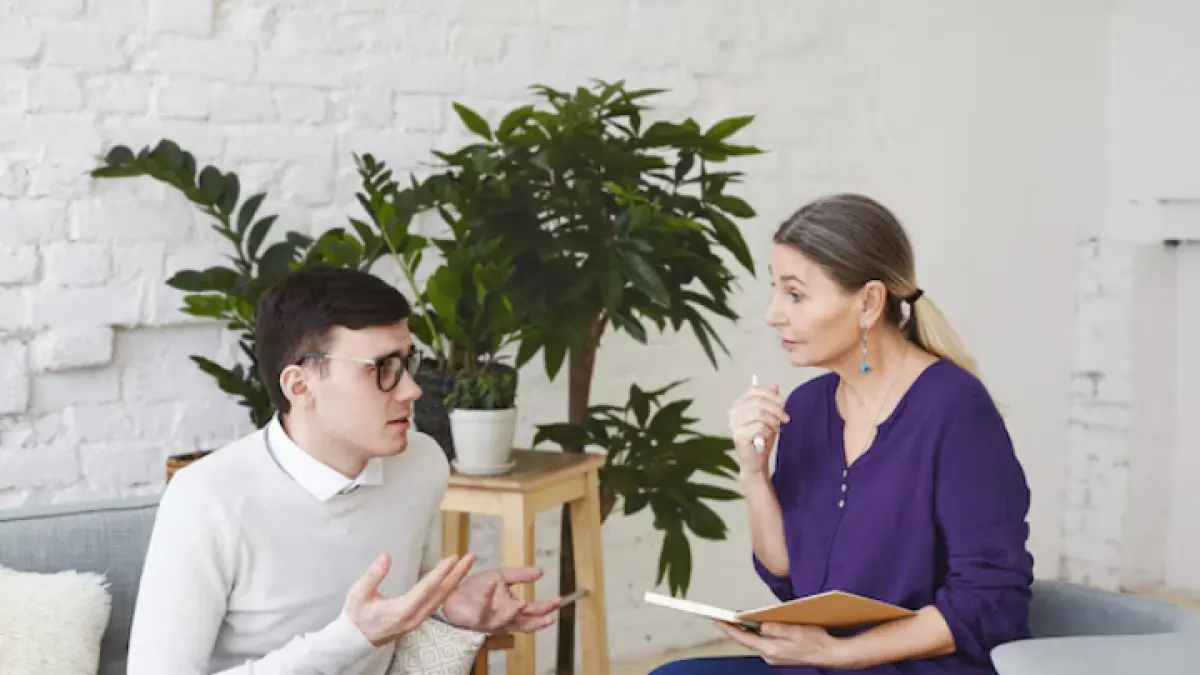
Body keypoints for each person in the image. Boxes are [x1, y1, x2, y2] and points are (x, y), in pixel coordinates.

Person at [652, 194, 1034, 674]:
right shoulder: (806, 409)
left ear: (869, 302)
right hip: (819, 666)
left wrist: (838, 653)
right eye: (776, 290)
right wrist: (753, 472)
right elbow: (788, 578)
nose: (773, 314)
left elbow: (989, 602)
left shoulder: (955, 411)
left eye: (795, 294)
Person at [127, 266, 560, 674]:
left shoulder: (421, 464)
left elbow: (395, 611)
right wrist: (348, 640)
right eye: (382, 369)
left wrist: (448, 608)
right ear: (300, 386)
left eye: (408, 364)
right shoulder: (207, 498)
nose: (412, 390)